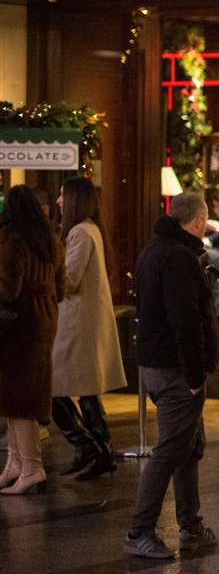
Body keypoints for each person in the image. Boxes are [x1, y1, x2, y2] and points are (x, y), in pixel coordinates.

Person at [125, 192, 219, 558]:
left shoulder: (155, 250)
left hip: (157, 362)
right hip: (175, 367)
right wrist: (196, 375)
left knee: (187, 446)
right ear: (197, 220)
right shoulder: (180, 257)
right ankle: (140, 530)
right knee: (169, 450)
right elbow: (186, 319)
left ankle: (190, 524)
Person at [50, 177, 125, 481]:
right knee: (86, 390)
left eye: (62, 196)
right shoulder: (91, 229)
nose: (58, 202)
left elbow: (70, 280)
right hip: (82, 323)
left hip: (76, 324)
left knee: (54, 388)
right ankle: (99, 449)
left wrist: (47, 268)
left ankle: (89, 446)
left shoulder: (80, 232)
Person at [0, 185, 67, 496]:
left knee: (19, 398)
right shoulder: (52, 241)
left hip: (19, 325)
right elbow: (62, 288)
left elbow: (8, 289)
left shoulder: (13, 242)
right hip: (46, 319)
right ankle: (15, 463)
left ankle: (30, 467)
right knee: (21, 394)